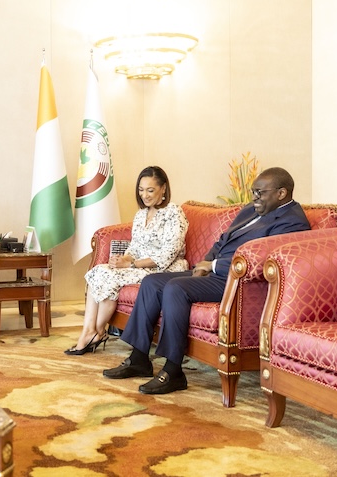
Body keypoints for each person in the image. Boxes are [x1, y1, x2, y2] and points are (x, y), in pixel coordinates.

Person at [103, 167, 310, 394]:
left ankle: (173, 371)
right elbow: (222, 240)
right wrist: (206, 262)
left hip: (238, 282)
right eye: (253, 192)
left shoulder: (292, 221)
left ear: (281, 193)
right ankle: (139, 358)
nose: (254, 198)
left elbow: (263, 260)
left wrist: (213, 266)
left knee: (176, 288)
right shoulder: (251, 210)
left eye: (260, 193)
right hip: (215, 271)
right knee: (152, 283)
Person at [65, 166, 188, 355]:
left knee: (109, 277)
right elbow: (135, 248)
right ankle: (89, 331)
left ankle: (96, 332)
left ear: (163, 188)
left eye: (150, 190)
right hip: (139, 267)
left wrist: (130, 264)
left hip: (164, 270)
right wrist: (123, 259)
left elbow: (167, 255)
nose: (144, 195)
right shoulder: (141, 215)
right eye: (141, 190)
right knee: (98, 271)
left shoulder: (173, 212)